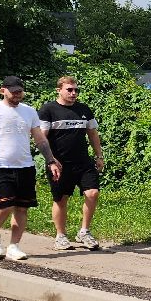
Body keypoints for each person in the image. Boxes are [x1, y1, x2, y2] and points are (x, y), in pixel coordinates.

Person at [0, 76, 61, 261]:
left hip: (25, 167)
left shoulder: (29, 112)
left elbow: (40, 139)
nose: (16, 95)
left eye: (19, 91)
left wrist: (51, 160)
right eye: (13, 91)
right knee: (5, 205)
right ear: (2, 90)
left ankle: (14, 246)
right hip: (0, 166)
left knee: (21, 208)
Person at [38, 75, 104, 251]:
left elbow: (93, 134)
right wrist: (51, 160)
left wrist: (99, 156)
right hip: (59, 164)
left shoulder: (84, 109)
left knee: (92, 193)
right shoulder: (48, 110)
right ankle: (60, 236)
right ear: (59, 90)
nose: (74, 93)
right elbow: (41, 138)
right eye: (70, 90)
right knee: (61, 198)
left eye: (76, 90)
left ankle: (84, 232)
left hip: (83, 161)